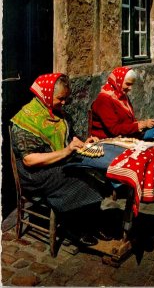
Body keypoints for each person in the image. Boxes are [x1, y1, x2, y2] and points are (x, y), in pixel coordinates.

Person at [10, 73, 125, 247]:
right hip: (34, 173)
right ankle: (75, 228)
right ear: (46, 95)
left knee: (92, 173)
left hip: (56, 162)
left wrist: (82, 142)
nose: (64, 103)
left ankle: (90, 222)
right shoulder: (26, 120)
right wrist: (66, 152)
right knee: (76, 180)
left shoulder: (57, 113)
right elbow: (29, 160)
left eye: (66, 99)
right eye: (60, 99)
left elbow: (69, 139)